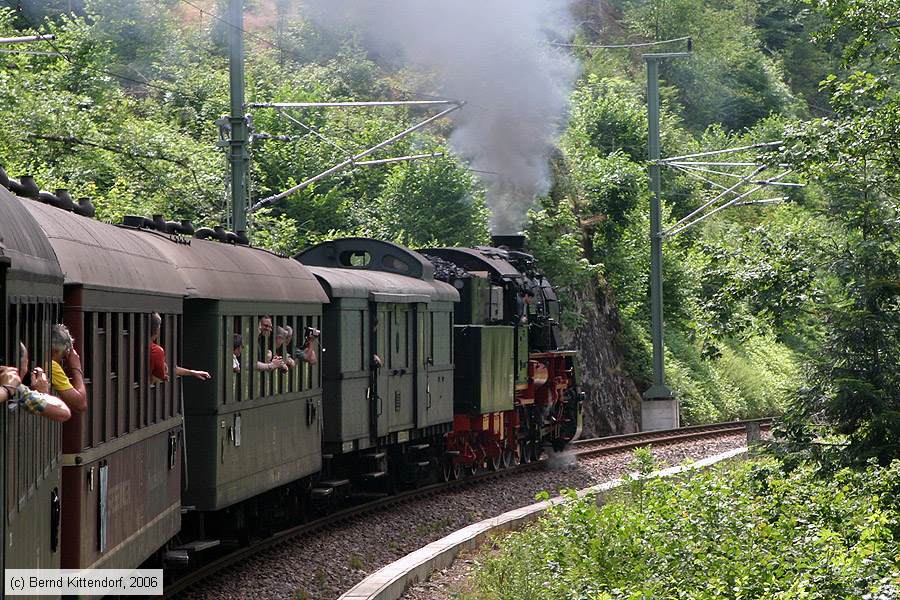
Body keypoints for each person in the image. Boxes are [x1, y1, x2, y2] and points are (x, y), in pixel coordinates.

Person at [1, 345, 71, 422]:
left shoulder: (19, 388)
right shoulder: (14, 385)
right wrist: (7, 389)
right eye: (26, 363)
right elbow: (63, 413)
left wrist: (42, 393)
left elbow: (63, 412)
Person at [149, 312, 211, 384]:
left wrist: (192, 372)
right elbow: (157, 377)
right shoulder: (156, 350)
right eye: (159, 327)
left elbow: (171, 369)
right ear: (156, 330)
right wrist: (163, 374)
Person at [50, 324, 87, 413]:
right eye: (63, 356)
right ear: (56, 351)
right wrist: (76, 368)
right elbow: (80, 403)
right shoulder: (52, 366)